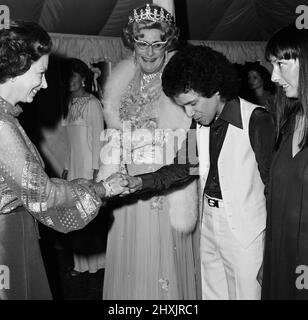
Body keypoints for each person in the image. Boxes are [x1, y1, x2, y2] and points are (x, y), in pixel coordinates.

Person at [119, 44, 276, 299]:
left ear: (215, 89)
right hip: (210, 223)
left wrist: (272, 251)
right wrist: (137, 181)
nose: (189, 113)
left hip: (248, 232)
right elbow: (183, 168)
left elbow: (275, 190)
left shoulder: (258, 120)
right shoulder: (199, 122)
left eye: (192, 103)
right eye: (183, 107)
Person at [0, 20, 127, 300]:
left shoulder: (8, 117)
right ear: (18, 67)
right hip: (6, 238)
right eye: (40, 73)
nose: (45, 84)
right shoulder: (2, 125)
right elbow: (42, 194)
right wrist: (102, 189)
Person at [97, 4, 200, 300]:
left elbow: (191, 150)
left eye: (158, 43)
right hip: (125, 182)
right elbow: (113, 137)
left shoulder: (183, 81)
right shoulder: (120, 82)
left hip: (166, 184)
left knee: (162, 263)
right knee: (131, 259)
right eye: (143, 42)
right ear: (133, 42)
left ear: (168, 43)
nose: (150, 51)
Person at [260, 24, 308, 300]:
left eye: (281, 64)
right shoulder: (289, 121)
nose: (274, 76)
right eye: (272, 65)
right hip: (281, 257)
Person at [62, 58, 106, 276]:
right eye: (67, 76)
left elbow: (99, 139)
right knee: (76, 217)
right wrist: (66, 168)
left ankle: (99, 264)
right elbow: (69, 142)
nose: (70, 81)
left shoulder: (92, 103)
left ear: (83, 78)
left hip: (89, 170)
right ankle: (81, 264)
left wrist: (97, 171)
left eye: (74, 76)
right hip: (73, 170)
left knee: (90, 217)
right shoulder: (70, 103)